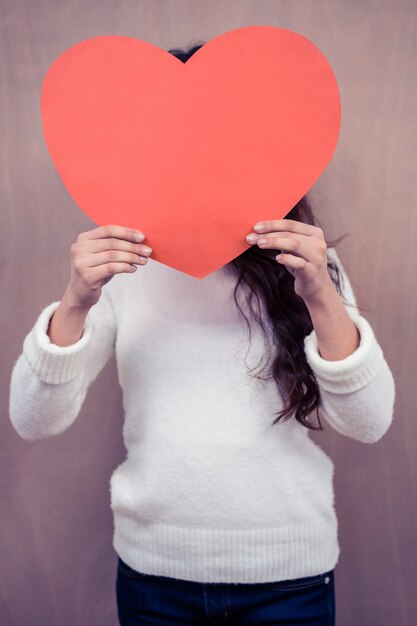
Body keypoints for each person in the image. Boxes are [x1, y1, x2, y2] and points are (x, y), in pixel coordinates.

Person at [9, 42, 395, 626]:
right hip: (154, 577)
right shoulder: (124, 267)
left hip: (288, 578)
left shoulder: (307, 265)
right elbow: (33, 420)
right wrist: (76, 300)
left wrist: (319, 292)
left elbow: (369, 422)